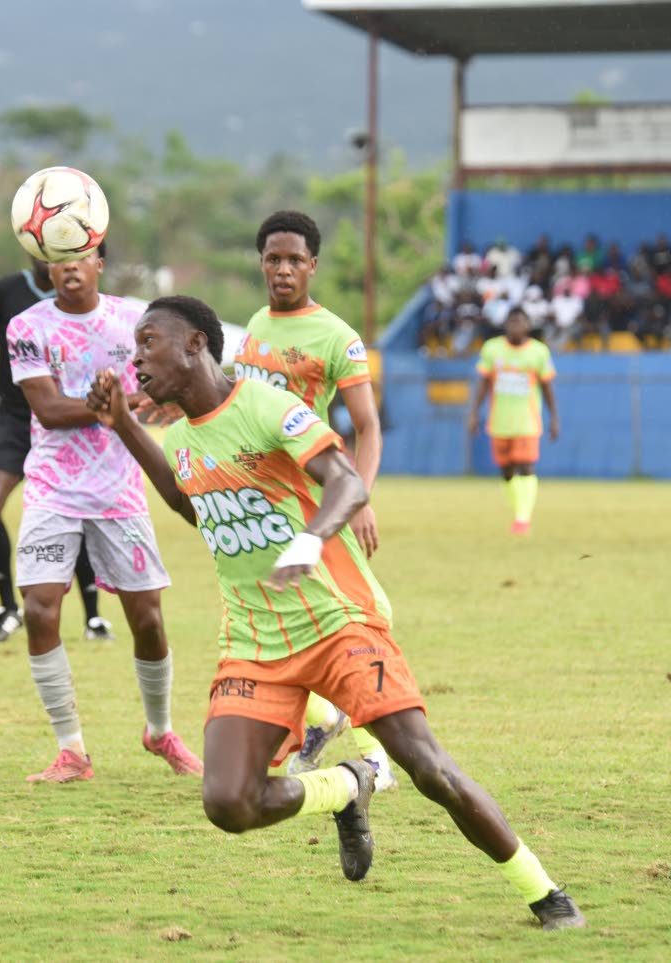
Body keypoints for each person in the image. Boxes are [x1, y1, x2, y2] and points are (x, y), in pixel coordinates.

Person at [86, 294, 585, 930]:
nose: (136, 358)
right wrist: (126, 425)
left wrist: (311, 537)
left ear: (194, 345)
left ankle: (544, 893)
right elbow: (192, 507)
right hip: (256, 640)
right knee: (228, 803)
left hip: (336, 621)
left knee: (430, 771)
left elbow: (346, 479)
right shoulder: (181, 435)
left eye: (147, 341)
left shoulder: (265, 404)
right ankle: (350, 785)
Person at [4, 243, 202, 783]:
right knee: (41, 611)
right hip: (52, 489)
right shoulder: (27, 326)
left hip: (120, 490)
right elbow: (46, 408)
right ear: (47, 266)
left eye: (82, 254)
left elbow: (167, 381)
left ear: (101, 263)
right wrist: (114, 406)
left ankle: (160, 732)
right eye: (58, 257)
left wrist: (156, 399)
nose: (69, 266)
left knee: (149, 620)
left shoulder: (133, 321)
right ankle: (72, 751)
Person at [232, 210, 395, 792]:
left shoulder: (336, 337)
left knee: (362, 616)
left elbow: (368, 428)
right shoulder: (253, 325)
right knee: (282, 620)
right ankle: (325, 721)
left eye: (294, 260)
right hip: (257, 507)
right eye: (273, 259)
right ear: (262, 263)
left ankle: (378, 755)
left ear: (313, 266)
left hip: (311, 500)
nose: (283, 269)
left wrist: (359, 497)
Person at [0, 258, 113, 643]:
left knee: (79, 508)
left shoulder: (90, 297)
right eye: (44, 244)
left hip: (70, 415)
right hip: (15, 417)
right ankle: (8, 608)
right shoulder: (5, 291)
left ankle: (93, 616)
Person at [467, 307, 560, 535]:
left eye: (520, 322)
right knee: (507, 471)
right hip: (499, 421)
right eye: (512, 322)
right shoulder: (492, 349)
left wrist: (554, 417)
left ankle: (522, 518)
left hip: (528, 421)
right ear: (506, 324)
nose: (516, 326)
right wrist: (473, 413)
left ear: (527, 325)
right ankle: (519, 512)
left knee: (527, 466)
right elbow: (484, 384)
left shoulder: (538, 352)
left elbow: (547, 387)